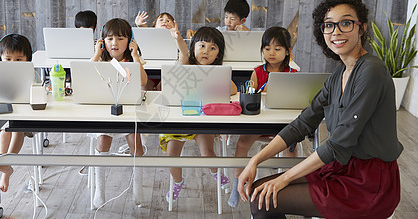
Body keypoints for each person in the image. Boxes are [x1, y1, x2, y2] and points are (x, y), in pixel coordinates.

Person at [237, 0, 403, 218]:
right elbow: (303, 123)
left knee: (263, 200)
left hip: (368, 182)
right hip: (341, 168)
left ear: (361, 28)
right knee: (260, 191)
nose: (336, 31)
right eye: (329, 25)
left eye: (345, 23)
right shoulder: (339, 75)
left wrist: (283, 178)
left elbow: (339, 142)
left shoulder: (371, 70)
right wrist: (255, 160)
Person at [159, 25, 238, 203]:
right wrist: (178, 38)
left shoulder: (217, 72)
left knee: (207, 153)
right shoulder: (186, 64)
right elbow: (183, 53)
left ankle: (216, 172)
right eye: (201, 46)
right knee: (171, 157)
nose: (206, 52)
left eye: (212, 48)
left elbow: (232, 89)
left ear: (218, 54)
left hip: (204, 121)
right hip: (180, 120)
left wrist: (217, 83)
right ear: (193, 47)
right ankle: (178, 182)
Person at [227, 26, 298, 208]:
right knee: (242, 144)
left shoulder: (294, 75)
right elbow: (249, 95)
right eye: (267, 49)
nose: (271, 53)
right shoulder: (257, 72)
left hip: (284, 125)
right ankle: (237, 183)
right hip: (260, 121)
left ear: (288, 51)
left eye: (277, 49)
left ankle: (292, 184)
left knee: (292, 149)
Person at [91, 18, 148, 208]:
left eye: (120, 39)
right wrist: (96, 54)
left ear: (130, 41)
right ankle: (100, 189)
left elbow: (142, 81)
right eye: (109, 39)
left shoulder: (132, 61)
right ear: (102, 42)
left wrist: (136, 56)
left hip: (130, 113)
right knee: (102, 142)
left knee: (136, 147)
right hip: (106, 113)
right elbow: (86, 75)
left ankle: (137, 187)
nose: (114, 43)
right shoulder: (100, 61)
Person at [0, 34, 34, 192]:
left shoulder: (32, 75)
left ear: (27, 60)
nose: (13, 63)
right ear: (0, 58)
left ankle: (6, 165)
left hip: (26, 116)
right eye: (8, 59)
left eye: (19, 60)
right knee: (4, 131)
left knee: (17, 130)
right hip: (8, 114)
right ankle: (6, 167)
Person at [186, 0, 251, 39]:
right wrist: (193, 33)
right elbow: (206, 34)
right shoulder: (220, 31)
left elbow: (255, 42)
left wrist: (247, 33)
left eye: (232, 19)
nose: (228, 22)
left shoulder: (245, 32)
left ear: (243, 20)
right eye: (226, 17)